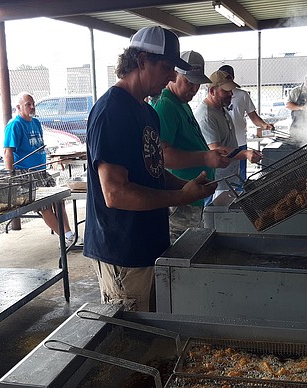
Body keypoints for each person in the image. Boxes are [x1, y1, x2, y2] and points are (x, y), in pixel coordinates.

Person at [84, 26, 216, 312]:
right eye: (167, 67)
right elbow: (116, 194)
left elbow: (154, 173)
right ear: (142, 61)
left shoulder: (148, 113)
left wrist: (185, 186)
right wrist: (182, 197)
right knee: (133, 337)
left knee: (156, 331)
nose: (172, 76)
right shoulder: (111, 111)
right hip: (124, 252)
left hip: (151, 246)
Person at [151, 50, 230, 242]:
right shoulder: (165, 105)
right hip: (179, 201)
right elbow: (162, 157)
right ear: (174, 74)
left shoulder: (181, 103)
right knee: (180, 252)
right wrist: (205, 157)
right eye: (189, 82)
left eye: (197, 83)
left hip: (191, 197)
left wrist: (208, 154)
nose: (194, 89)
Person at [3, 92, 76, 246]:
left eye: (33, 104)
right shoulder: (15, 125)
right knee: (45, 206)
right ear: (18, 107)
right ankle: (65, 238)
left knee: (59, 200)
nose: (32, 107)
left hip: (41, 171)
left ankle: (69, 234)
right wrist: (11, 176)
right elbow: (8, 152)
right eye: (27, 104)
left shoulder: (35, 123)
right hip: (26, 173)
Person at [195, 71, 262, 202]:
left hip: (227, 179)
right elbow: (215, 148)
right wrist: (245, 154)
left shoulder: (222, 109)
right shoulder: (206, 116)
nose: (231, 94)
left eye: (231, 90)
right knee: (214, 217)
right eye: (226, 91)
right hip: (215, 182)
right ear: (212, 91)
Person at [218, 64, 273, 182]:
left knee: (240, 176)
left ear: (233, 78)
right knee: (223, 178)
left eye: (228, 78)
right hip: (224, 144)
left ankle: (241, 198)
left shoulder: (242, 95)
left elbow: (253, 116)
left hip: (240, 142)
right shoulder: (217, 97)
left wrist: (264, 125)